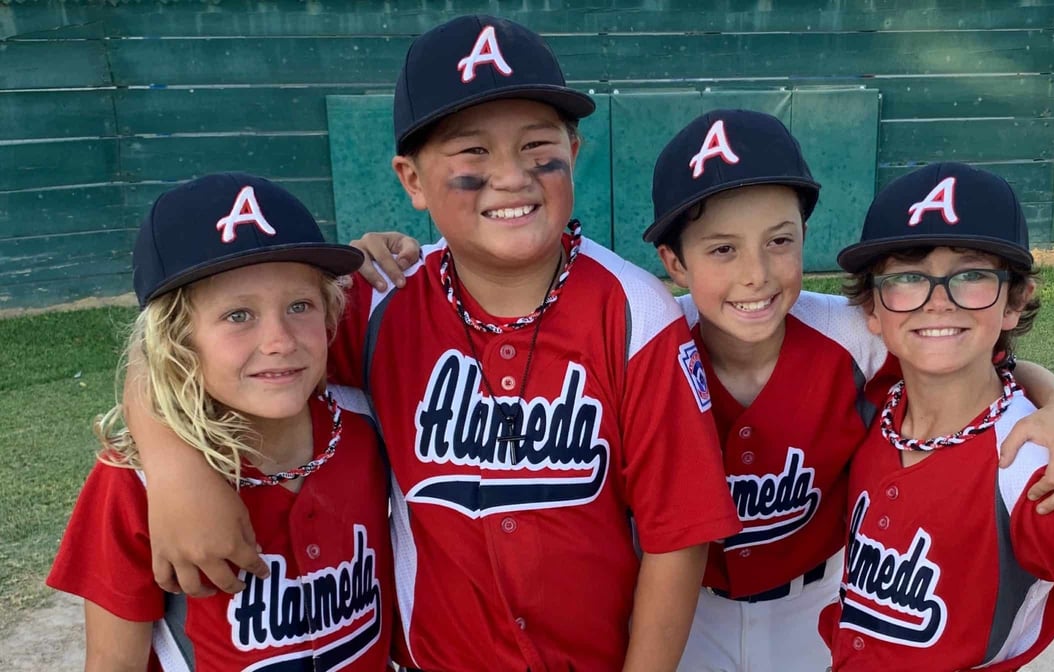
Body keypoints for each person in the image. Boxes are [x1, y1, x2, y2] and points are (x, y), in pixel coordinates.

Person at [125, 16, 742, 672]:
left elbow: (680, 536)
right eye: (472, 153)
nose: (511, 177)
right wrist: (175, 471)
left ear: (574, 152)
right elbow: (172, 350)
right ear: (412, 181)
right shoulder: (378, 299)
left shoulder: (634, 312)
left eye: (537, 146)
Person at [639, 110, 1054, 671]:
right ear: (674, 262)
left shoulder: (853, 333)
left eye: (779, 240)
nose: (756, 274)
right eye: (722, 250)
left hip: (819, 605)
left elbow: (980, 359)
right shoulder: (650, 339)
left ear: (805, 237)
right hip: (689, 611)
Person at [820, 162, 1054, 671]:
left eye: (973, 276)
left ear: (1014, 302)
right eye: (908, 277)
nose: (938, 303)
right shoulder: (879, 399)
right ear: (873, 307)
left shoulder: (1035, 469)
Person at [46, 173, 395, 671]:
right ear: (178, 340)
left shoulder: (364, 426)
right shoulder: (132, 483)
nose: (279, 340)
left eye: (300, 306)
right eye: (238, 316)